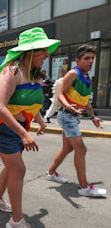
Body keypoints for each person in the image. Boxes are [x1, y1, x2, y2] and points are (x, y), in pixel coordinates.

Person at [0, 27, 59, 228]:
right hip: (2, 127)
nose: (46, 55)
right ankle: (16, 221)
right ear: (30, 51)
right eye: (43, 50)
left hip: (16, 126)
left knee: (12, 168)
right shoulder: (12, 71)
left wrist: (40, 121)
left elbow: (29, 104)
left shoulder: (31, 74)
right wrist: (24, 133)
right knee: (19, 169)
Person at [45, 44, 106, 198]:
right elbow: (59, 93)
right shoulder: (73, 74)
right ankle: (84, 187)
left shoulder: (86, 77)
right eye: (87, 58)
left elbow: (85, 101)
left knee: (68, 148)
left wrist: (93, 117)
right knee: (81, 149)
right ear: (78, 60)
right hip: (66, 116)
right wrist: (68, 106)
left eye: (92, 58)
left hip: (73, 116)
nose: (90, 61)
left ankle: (51, 172)